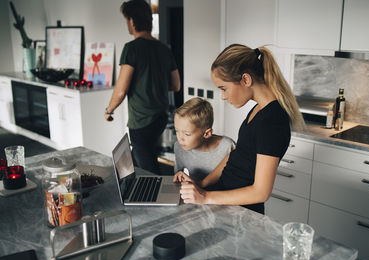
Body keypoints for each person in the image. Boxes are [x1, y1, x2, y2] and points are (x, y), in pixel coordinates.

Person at [174, 44, 305, 214]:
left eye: (224, 88)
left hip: (243, 212)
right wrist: (202, 185)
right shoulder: (259, 109)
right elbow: (237, 155)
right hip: (224, 198)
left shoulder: (272, 121)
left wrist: (206, 196)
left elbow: (260, 192)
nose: (223, 96)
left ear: (245, 80)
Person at [105, 0, 181, 174]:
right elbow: (176, 85)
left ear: (132, 21)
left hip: (141, 120)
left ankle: (154, 195)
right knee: (136, 157)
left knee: (148, 168)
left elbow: (121, 89)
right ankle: (132, 189)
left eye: (126, 20)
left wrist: (109, 110)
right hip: (160, 117)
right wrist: (154, 83)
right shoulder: (164, 49)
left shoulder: (131, 48)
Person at [173, 97, 235, 182]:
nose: (180, 138)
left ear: (207, 133)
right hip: (195, 193)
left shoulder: (227, 147)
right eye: (177, 131)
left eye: (187, 134)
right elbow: (178, 175)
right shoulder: (179, 147)